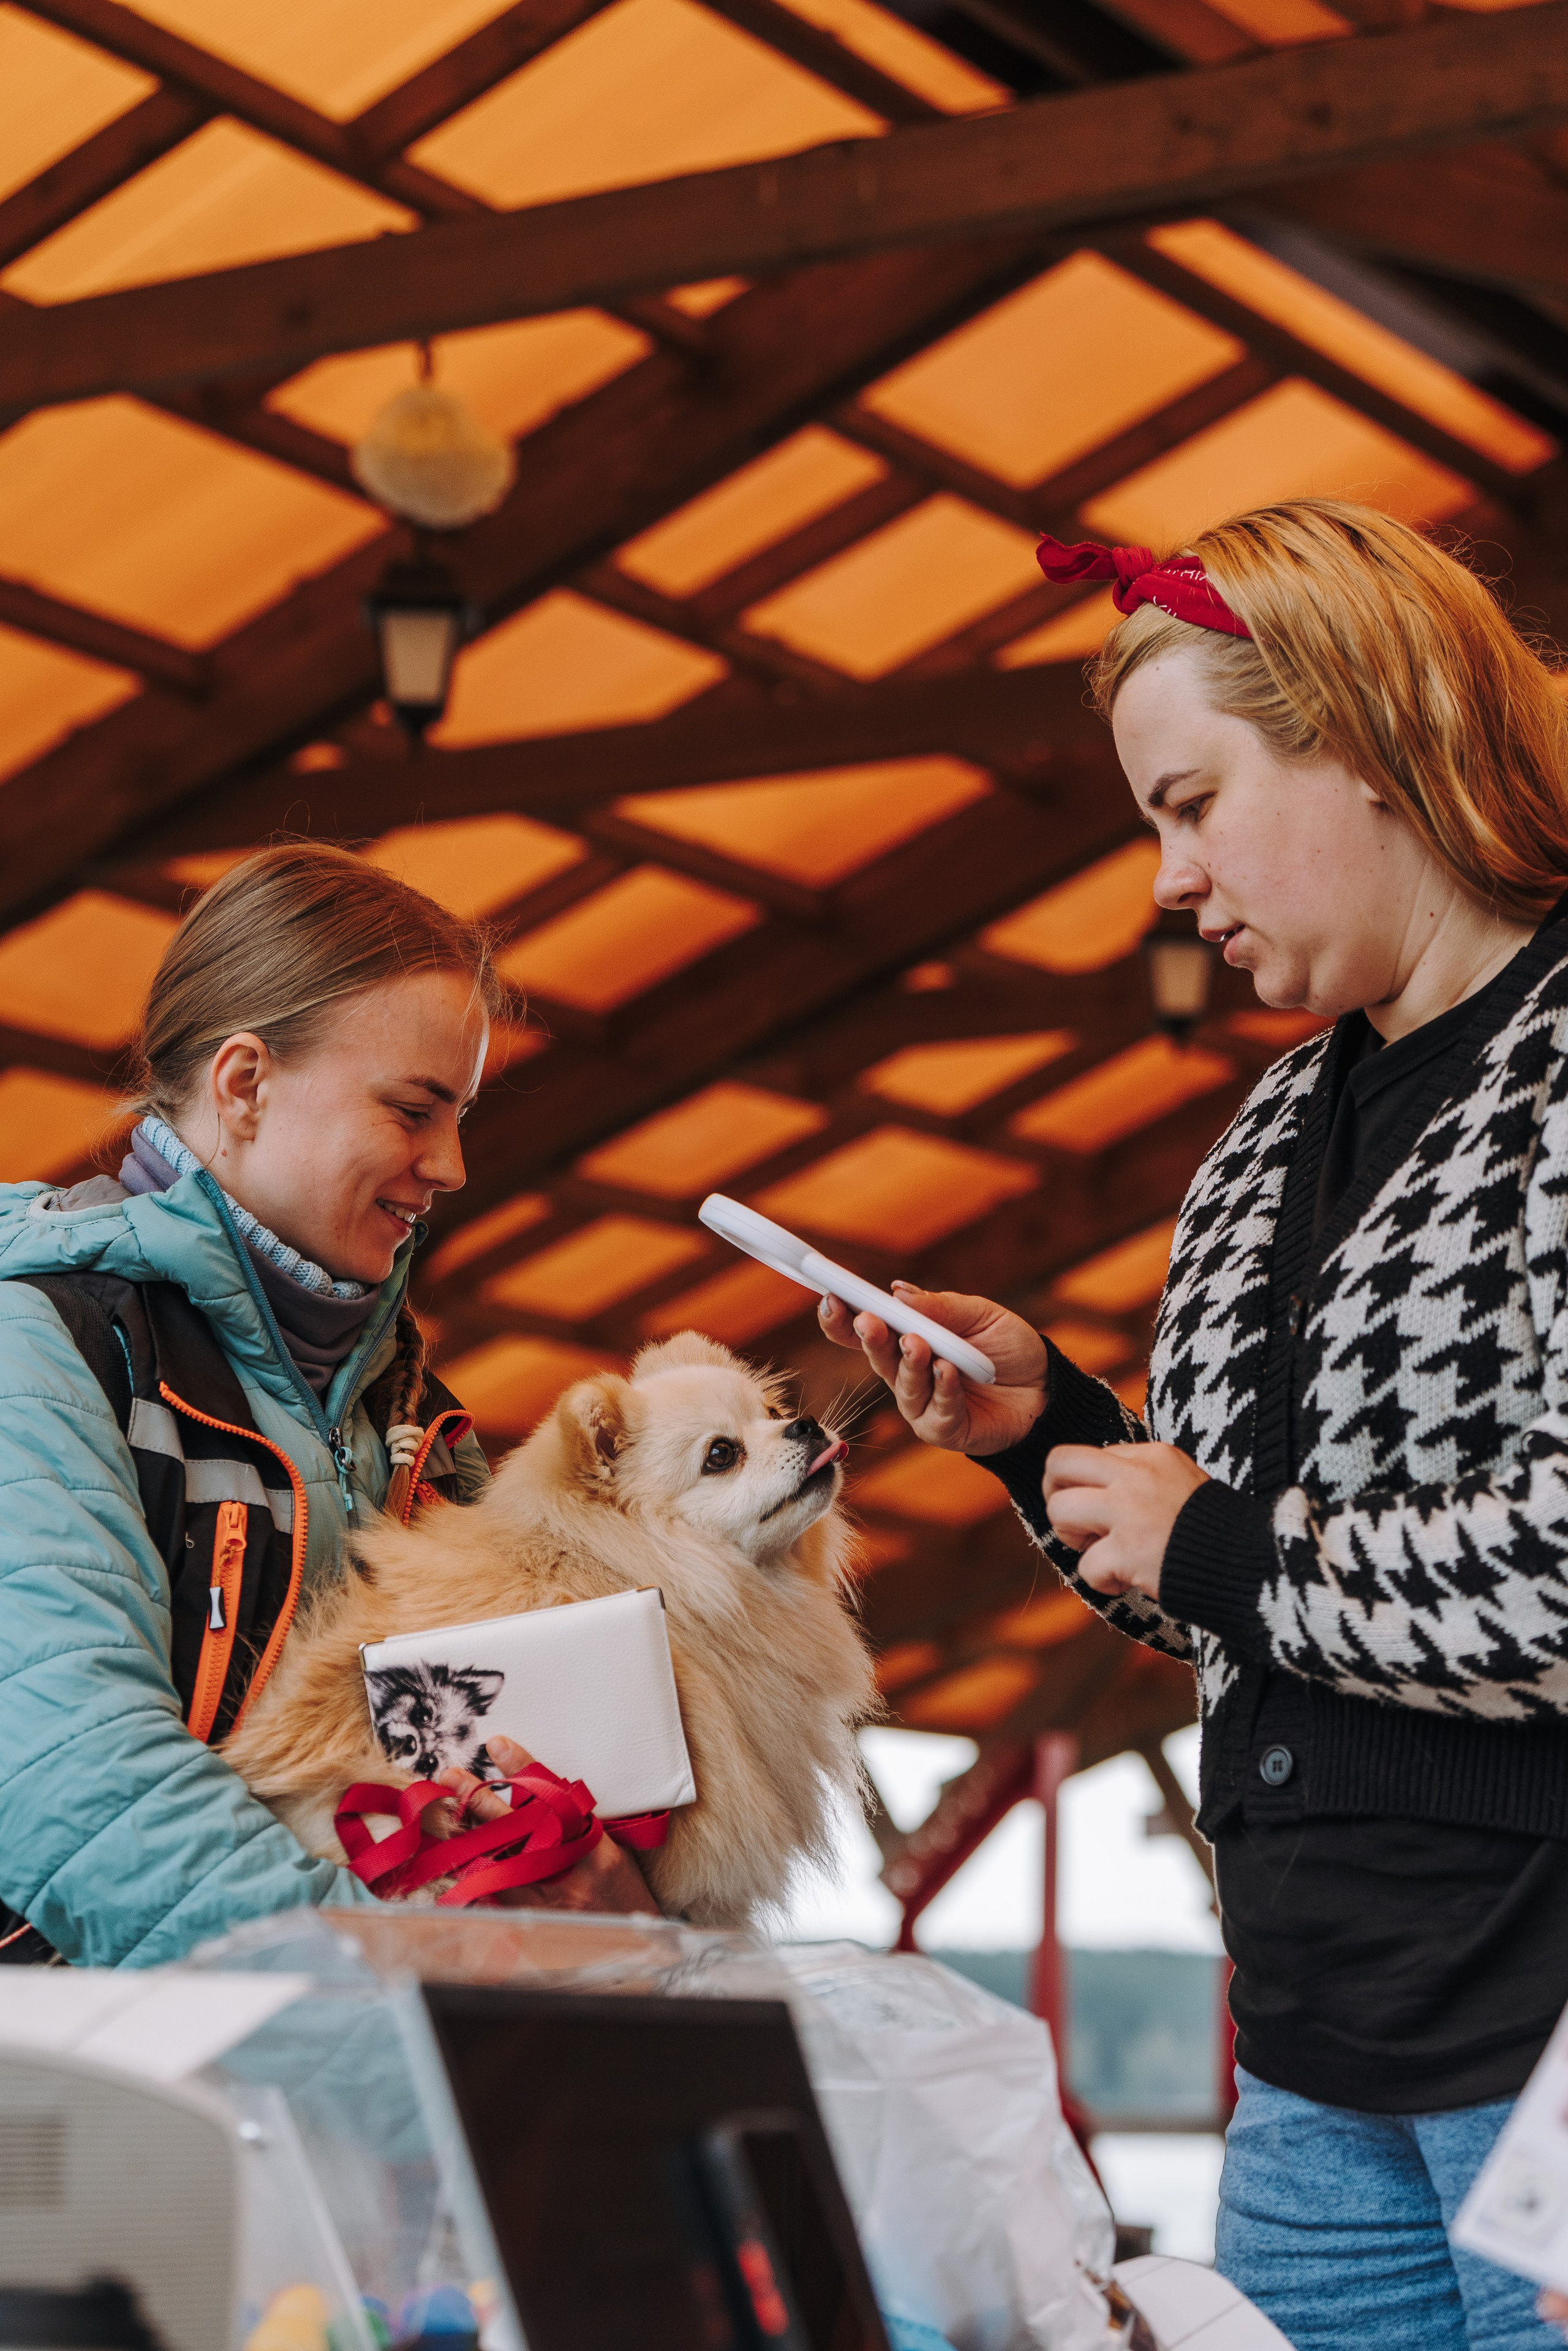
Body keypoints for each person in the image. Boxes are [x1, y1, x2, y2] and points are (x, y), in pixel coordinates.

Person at [824, 500, 1568, 2351]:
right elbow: (1226, 1591)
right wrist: (1049, 1433)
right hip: (1317, 2059)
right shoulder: (1259, 1141)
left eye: (1190, 802)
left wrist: (1219, 1538)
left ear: (1374, 735)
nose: (1165, 876)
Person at [0, 842, 652, 1968]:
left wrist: (578, 1872)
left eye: (463, 1114)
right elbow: (73, 1776)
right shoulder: (47, 1347)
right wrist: (399, 1987)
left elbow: (464, 1758)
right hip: (78, 2101)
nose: (450, 1164)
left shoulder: (415, 1425)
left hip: (311, 2077)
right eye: (413, 1109)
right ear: (244, 1083)